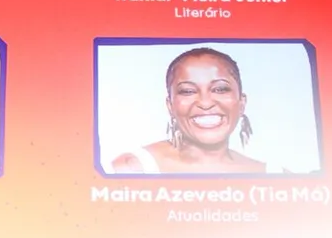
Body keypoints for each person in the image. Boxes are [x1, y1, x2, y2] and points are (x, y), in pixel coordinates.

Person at [110, 47, 285, 174]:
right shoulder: (133, 168)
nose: (205, 103)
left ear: (241, 103)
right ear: (170, 106)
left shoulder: (275, 176)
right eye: (188, 91)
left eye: (220, 89)